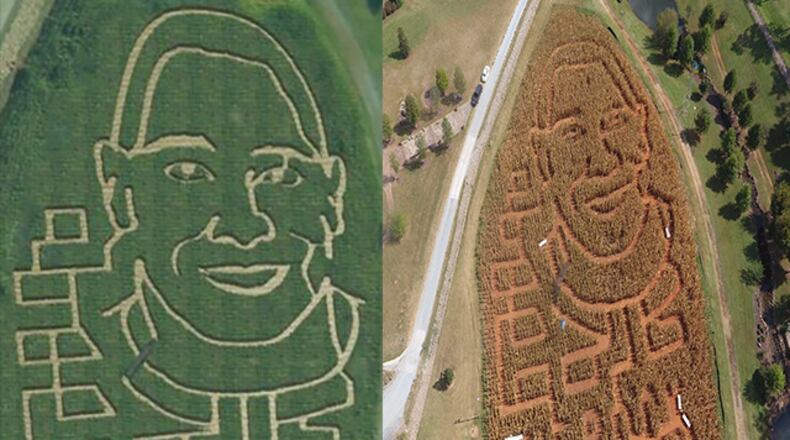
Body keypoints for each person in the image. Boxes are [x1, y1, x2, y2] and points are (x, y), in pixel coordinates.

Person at [14, 9, 360, 439]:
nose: (243, 226)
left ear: (330, 189)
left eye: (278, 175)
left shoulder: (348, 338)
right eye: (189, 172)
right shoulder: (68, 366)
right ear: (122, 188)